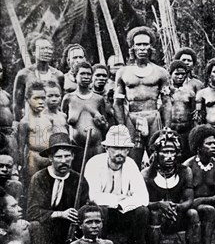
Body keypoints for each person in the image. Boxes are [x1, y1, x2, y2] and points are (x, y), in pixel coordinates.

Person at [84, 125, 150, 244]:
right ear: (106, 148)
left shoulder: (131, 165)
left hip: (123, 213)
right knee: (101, 209)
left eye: (124, 148)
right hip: (101, 214)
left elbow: (142, 196)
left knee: (143, 211)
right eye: (115, 148)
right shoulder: (94, 164)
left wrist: (123, 202)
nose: (120, 152)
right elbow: (93, 196)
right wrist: (117, 199)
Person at [28, 133, 87, 244]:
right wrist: (61, 214)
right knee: (34, 226)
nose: (63, 161)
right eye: (59, 157)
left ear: (73, 157)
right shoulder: (39, 178)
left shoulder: (79, 180)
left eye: (67, 156)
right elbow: (33, 212)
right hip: (46, 231)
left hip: (69, 231)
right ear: (50, 158)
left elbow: (84, 206)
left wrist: (80, 217)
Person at [114, 26, 171, 166]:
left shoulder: (161, 72)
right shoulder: (123, 73)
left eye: (145, 44)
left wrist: (167, 127)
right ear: (133, 47)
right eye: (138, 44)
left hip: (154, 118)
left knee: (157, 157)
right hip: (132, 118)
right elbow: (117, 103)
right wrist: (122, 126)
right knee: (131, 160)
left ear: (150, 47)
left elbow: (166, 102)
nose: (142, 48)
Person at [143, 129, 196, 244]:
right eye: (164, 152)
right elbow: (141, 202)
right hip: (156, 219)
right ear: (156, 153)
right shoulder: (147, 175)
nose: (169, 156)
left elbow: (189, 199)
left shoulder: (185, 171)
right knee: (154, 214)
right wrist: (159, 205)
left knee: (193, 213)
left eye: (172, 152)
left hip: (176, 215)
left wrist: (177, 207)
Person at [63, 61, 108, 165]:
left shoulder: (98, 99)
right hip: (76, 147)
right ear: (75, 76)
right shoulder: (68, 99)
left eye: (89, 74)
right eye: (82, 73)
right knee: (78, 177)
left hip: (97, 147)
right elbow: (62, 123)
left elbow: (105, 127)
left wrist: (102, 124)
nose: (86, 76)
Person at [13, 35, 64, 122]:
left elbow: (61, 103)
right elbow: (17, 105)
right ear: (33, 52)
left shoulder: (58, 75)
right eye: (42, 48)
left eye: (49, 48)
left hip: (53, 122)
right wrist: (18, 125)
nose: (47, 51)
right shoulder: (24, 75)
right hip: (32, 123)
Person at [17, 81, 53, 187]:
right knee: (33, 186)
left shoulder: (49, 119)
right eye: (36, 98)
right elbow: (21, 147)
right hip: (34, 159)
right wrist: (21, 165)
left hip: (48, 158)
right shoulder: (25, 122)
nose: (41, 102)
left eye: (43, 98)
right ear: (27, 100)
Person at [165, 60, 196, 161]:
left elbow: (193, 113)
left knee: (186, 157)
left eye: (183, 74)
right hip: (171, 131)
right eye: (177, 74)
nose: (180, 77)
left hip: (186, 131)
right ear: (170, 74)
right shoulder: (165, 92)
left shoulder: (190, 93)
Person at [0, 62, 17, 160]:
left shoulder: (6, 94)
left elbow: (14, 113)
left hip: (8, 134)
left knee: (11, 161)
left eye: (0, 71)